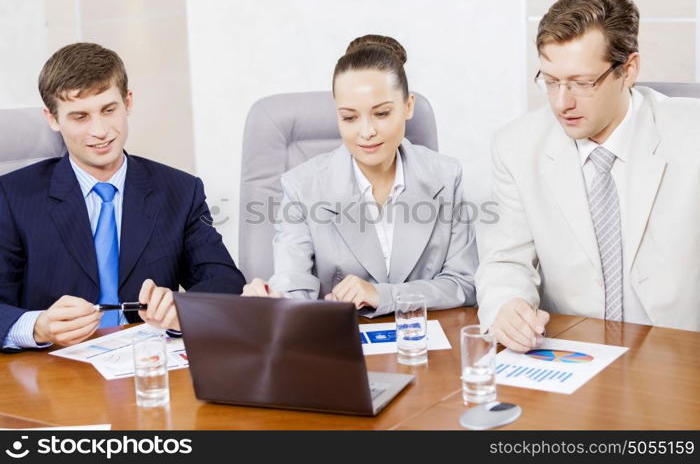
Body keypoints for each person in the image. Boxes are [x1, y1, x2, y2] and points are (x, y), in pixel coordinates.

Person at [476, 0, 700, 351]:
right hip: (574, 355)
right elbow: (504, 259)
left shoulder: (692, 136)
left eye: (582, 83)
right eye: (550, 81)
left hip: (680, 359)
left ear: (628, 70)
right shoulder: (516, 147)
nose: (562, 102)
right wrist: (507, 305)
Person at [0, 42, 245, 351]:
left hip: (147, 367)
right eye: (80, 117)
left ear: (128, 102)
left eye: (108, 110)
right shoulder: (11, 197)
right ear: (52, 118)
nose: (100, 130)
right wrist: (37, 326)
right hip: (54, 375)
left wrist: (183, 307)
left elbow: (226, 281)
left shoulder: (180, 191)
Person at [243, 35, 478, 316]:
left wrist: (383, 295)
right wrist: (274, 299)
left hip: (424, 339)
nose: (366, 132)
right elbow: (293, 283)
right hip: (343, 345)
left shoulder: (446, 176)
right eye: (349, 118)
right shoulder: (302, 187)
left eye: (381, 113)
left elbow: (464, 284)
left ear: (408, 106)